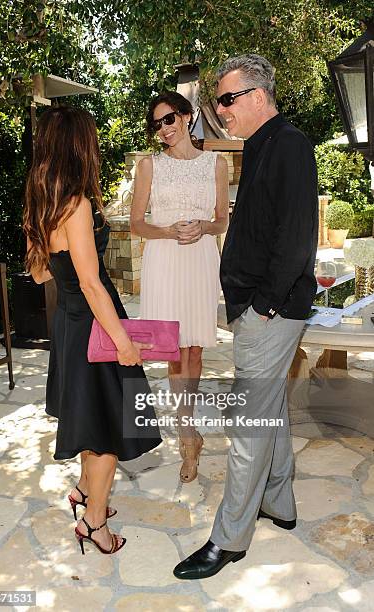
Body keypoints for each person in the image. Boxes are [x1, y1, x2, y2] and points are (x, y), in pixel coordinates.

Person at [174, 54, 318, 579]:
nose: (219, 109)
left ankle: (229, 538)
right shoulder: (259, 148)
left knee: (249, 425)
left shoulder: (291, 145)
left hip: (268, 310)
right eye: (218, 99)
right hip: (255, 307)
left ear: (258, 96)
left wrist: (265, 305)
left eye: (227, 99)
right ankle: (279, 502)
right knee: (269, 406)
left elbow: (297, 235)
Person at [23, 106, 162, 557]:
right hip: (94, 325)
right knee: (107, 431)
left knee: (90, 418)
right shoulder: (78, 202)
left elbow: (41, 273)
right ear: (80, 145)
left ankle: (85, 490)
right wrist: (123, 341)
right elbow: (90, 281)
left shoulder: (41, 197)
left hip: (69, 321)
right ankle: (95, 525)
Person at [131, 91, 229, 483]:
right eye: (157, 125)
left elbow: (222, 220)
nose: (164, 130)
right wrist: (168, 231)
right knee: (173, 349)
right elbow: (137, 224)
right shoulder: (148, 166)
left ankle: (187, 430)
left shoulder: (216, 164)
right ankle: (187, 434)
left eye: (169, 119)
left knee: (194, 347)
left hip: (201, 258)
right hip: (165, 259)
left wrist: (204, 226)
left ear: (187, 116)